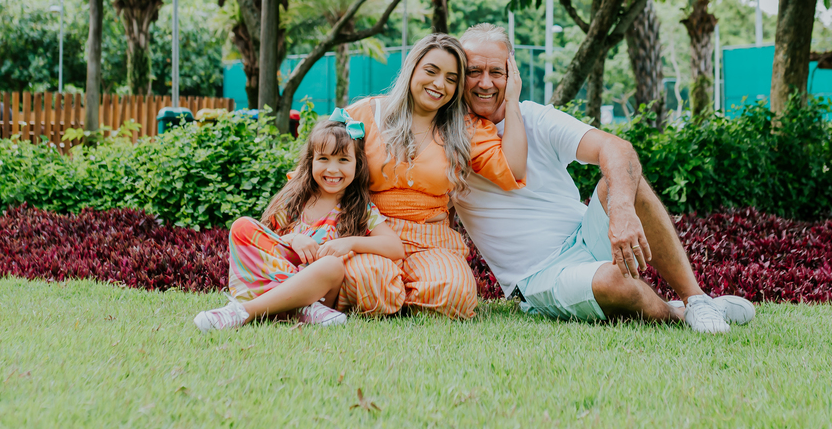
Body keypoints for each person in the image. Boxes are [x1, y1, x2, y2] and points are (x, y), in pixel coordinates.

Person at [452, 24, 755, 333]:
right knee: (615, 284)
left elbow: (617, 148)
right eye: (474, 71)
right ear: (459, 75)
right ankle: (679, 313)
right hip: (539, 275)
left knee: (623, 180)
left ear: (511, 74)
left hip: (584, 234)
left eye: (496, 72)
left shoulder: (536, 118)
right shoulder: (450, 138)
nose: (485, 83)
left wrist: (622, 210)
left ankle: (697, 300)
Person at [342, 33, 527, 319]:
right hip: (371, 235)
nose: (439, 84)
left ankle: (400, 296)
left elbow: (513, 170)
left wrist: (512, 100)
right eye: (431, 71)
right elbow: (319, 169)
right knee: (368, 280)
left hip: (431, 241)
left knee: (453, 293)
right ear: (412, 68)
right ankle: (396, 294)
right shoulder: (365, 113)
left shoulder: (465, 127)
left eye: (451, 79)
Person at [194, 112, 405, 331]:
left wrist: (350, 242)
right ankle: (298, 309)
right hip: (281, 280)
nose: (333, 169)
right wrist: (293, 239)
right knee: (242, 226)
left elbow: (395, 247)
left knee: (332, 265)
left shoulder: (360, 208)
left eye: (343, 160)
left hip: (319, 289)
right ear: (311, 161)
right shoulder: (295, 199)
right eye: (323, 159)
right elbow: (267, 243)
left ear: (357, 164)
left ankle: (243, 312)